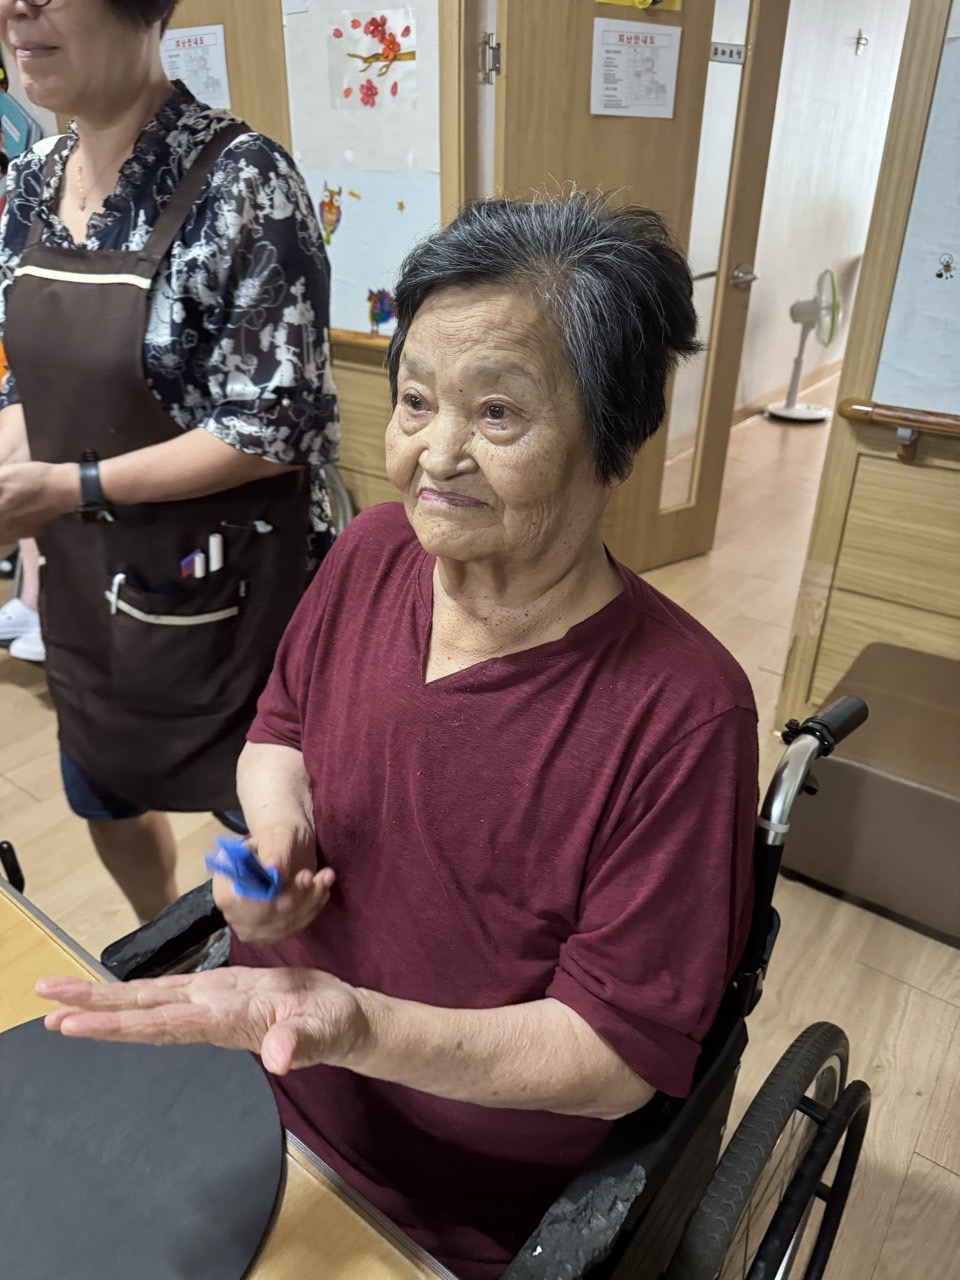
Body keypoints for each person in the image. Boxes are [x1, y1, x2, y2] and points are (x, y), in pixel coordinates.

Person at [39, 194, 759, 1279]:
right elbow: (279, 731)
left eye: (498, 414)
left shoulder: (683, 713)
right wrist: (270, 846)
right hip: (251, 1066)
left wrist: (355, 1025)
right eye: (416, 401)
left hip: (437, 1192)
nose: (435, 454)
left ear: (612, 438)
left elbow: (612, 1054)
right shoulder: (374, 550)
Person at [0, 0, 338, 923]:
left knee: (270, 832)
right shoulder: (30, 181)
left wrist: (71, 486)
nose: (18, 7)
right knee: (103, 789)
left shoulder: (245, 181)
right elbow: (26, 382)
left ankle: (267, 958)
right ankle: (159, 932)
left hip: (234, 591)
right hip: (87, 582)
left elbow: (275, 426)